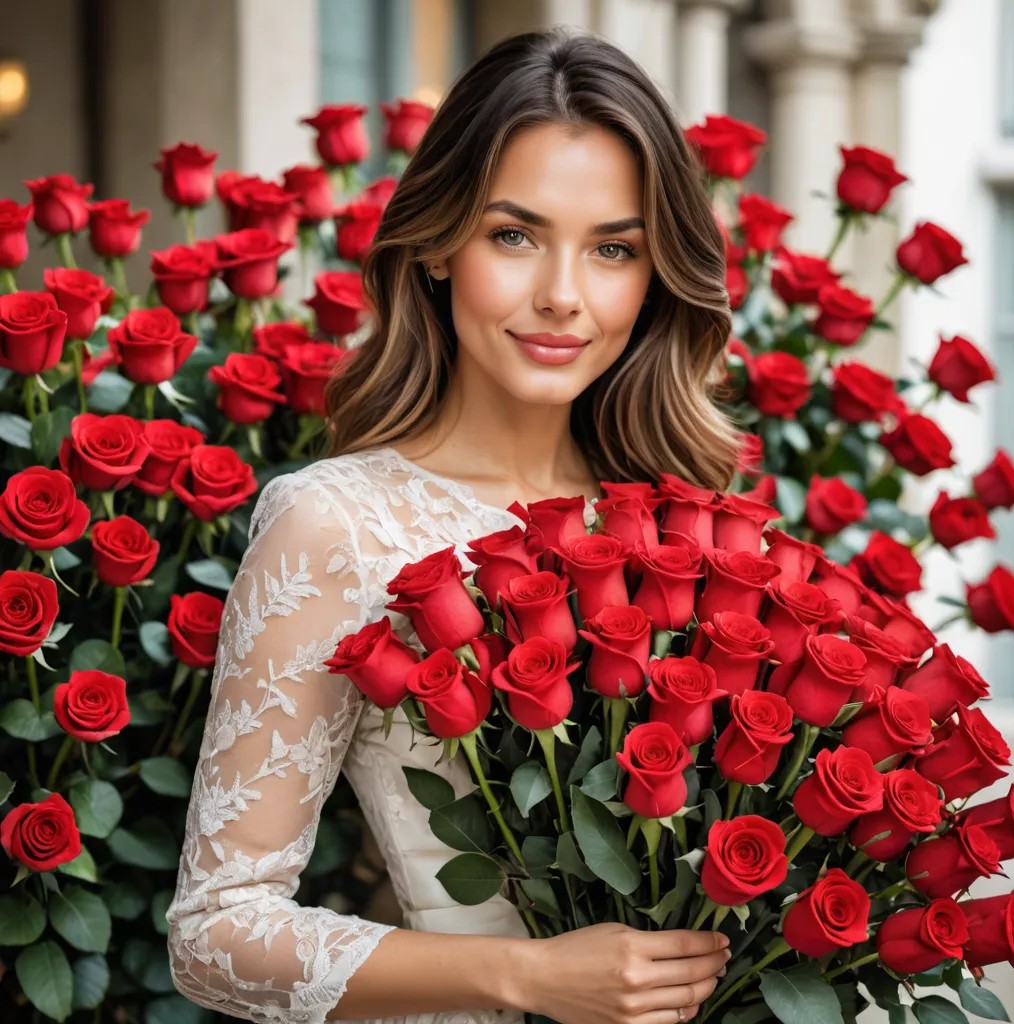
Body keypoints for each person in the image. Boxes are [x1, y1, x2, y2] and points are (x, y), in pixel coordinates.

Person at [166, 26, 741, 1024]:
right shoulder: (334, 522)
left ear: (654, 279)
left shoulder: (688, 523)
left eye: (612, 248)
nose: (562, 295)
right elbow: (216, 932)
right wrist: (525, 977)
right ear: (436, 243)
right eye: (513, 235)